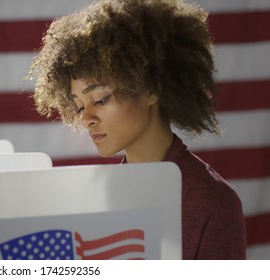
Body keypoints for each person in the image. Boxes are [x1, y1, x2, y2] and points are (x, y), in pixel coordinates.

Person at [27, 0, 246, 259]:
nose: (87, 119)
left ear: (150, 89)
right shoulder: (96, 197)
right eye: (78, 106)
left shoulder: (214, 204)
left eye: (100, 99)